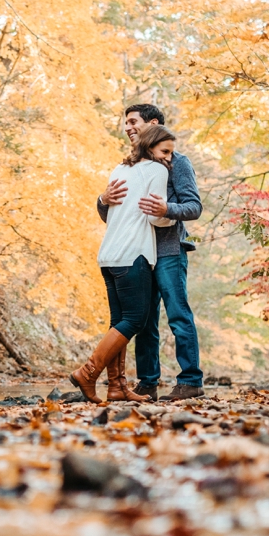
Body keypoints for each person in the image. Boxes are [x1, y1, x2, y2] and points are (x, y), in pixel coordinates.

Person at [97, 104, 204, 401]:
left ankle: (191, 381)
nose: (128, 128)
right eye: (126, 123)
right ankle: (147, 382)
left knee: (177, 314)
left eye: (133, 122)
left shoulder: (177, 162)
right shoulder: (129, 167)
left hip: (168, 251)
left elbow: (193, 206)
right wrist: (103, 199)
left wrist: (166, 209)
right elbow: (115, 215)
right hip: (137, 253)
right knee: (143, 321)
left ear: (152, 124)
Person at [70, 125, 177, 403]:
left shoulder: (120, 169)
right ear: (150, 146)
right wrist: (172, 216)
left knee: (118, 321)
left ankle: (117, 387)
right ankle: (88, 371)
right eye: (165, 151)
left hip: (109, 254)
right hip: (133, 253)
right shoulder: (157, 171)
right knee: (135, 320)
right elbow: (155, 215)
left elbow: (115, 210)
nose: (168, 158)